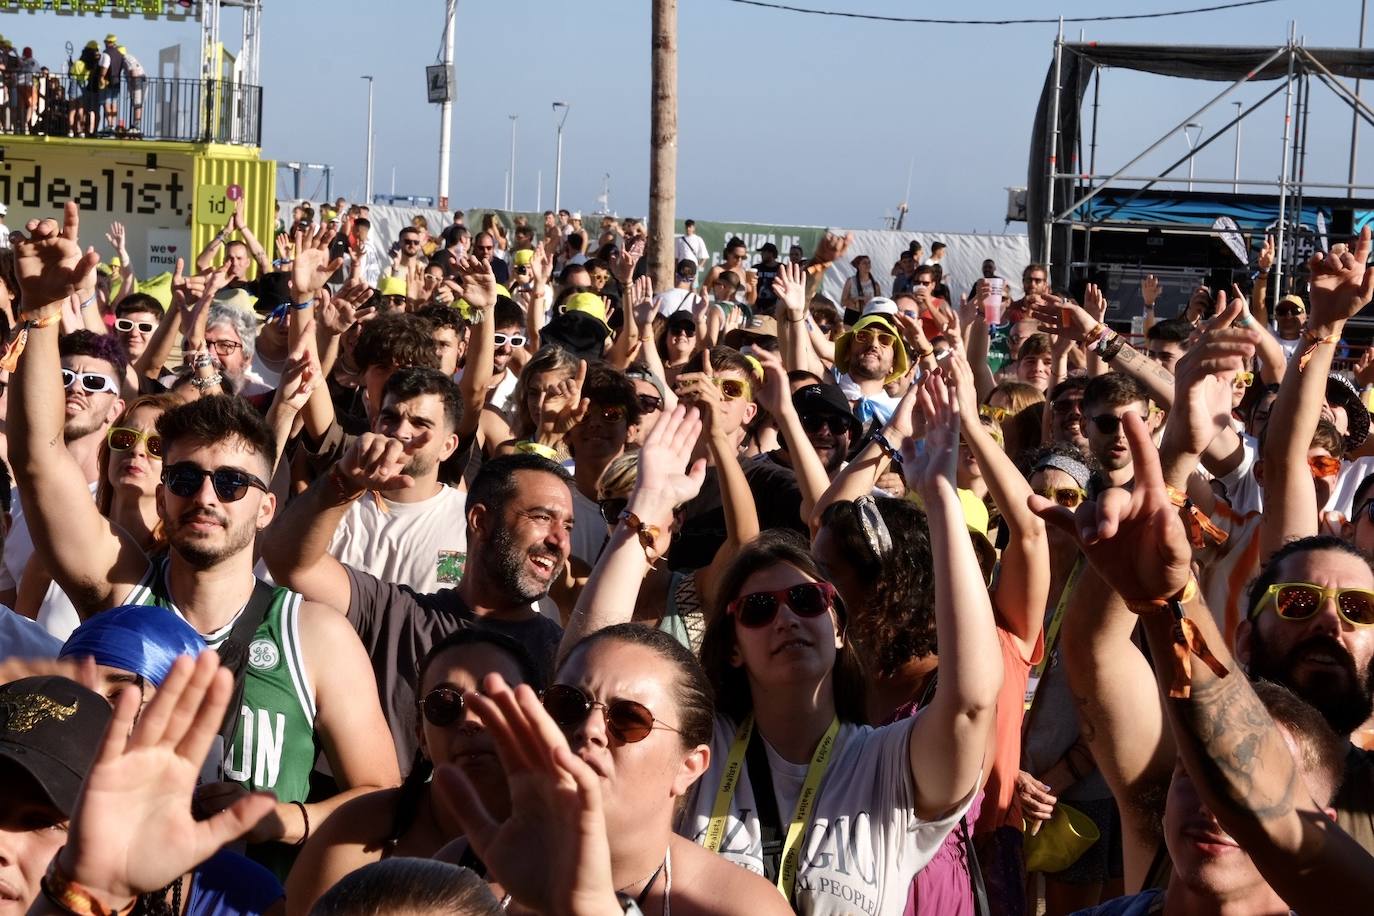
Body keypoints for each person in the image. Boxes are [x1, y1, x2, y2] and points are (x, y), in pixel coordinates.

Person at [562, 367, 1002, 914]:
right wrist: (644, 513)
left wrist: (939, 499)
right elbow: (587, 674)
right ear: (731, 645)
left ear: (837, 625)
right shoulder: (696, 749)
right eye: (759, 609)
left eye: (808, 599)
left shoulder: (887, 763)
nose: (786, 617)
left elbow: (971, 702)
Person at [264, 451, 570, 763]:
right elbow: (290, 562)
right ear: (480, 521)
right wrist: (341, 481)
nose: (560, 540)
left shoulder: (565, 658)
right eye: (542, 518)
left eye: (568, 526)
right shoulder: (395, 615)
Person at [285, 630, 542, 915]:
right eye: (443, 704)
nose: (470, 720)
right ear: (421, 737)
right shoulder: (356, 828)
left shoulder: (565, 843)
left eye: (496, 700)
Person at [0, 330, 126, 611]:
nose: (76, 388)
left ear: (115, 409)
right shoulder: (15, 503)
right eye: (64, 377)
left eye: (94, 382)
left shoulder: (124, 501)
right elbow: (5, 614)